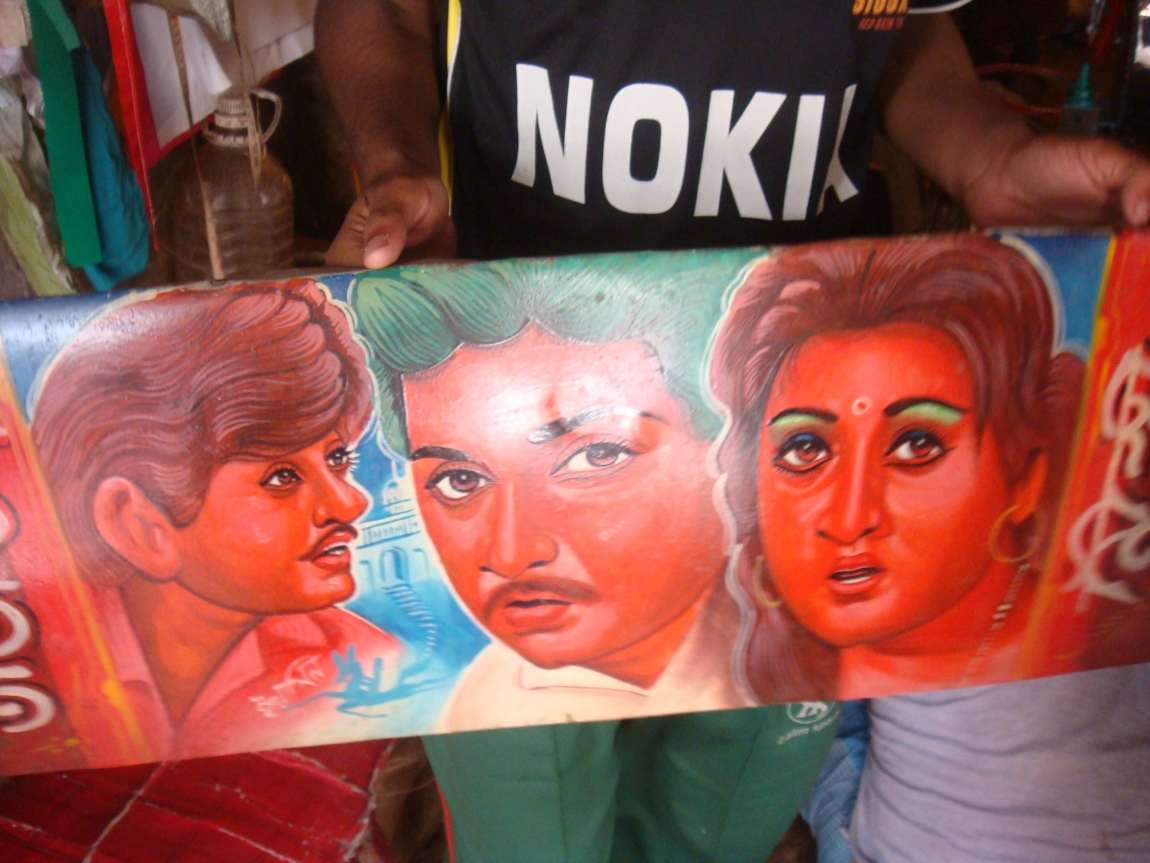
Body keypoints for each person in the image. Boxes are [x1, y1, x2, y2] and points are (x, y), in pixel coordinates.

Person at [314, 0, 1150, 860]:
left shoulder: (825, 517)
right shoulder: (511, 550)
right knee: (535, 832)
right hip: (509, 395)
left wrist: (986, 151)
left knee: (721, 829)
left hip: (777, 467)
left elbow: (902, 24)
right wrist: (395, 160)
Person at [351, 253, 757, 729]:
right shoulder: (485, 704)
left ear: (728, 449)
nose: (511, 554)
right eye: (461, 481)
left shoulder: (796, 649)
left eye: (596, 457)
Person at [31, 280, 404, 761]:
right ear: (138, 527)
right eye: (282, 477)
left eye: (337, 460)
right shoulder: (34, 654)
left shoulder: (366, 664)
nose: (349, 503)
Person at [710, 234, 1084, 700]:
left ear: (1025, 478)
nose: (850, 520)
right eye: (805, 450)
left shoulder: (1087, 655)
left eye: (915, 446)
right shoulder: (767, 686)